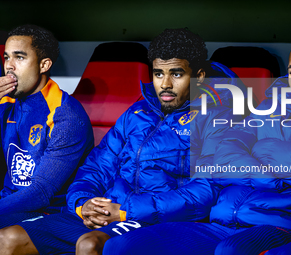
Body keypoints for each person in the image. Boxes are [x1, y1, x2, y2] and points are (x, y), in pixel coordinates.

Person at [0, 28, 247, 255]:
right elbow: (97, 166)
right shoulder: (137, 113)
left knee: (89, 245)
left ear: (199, 76)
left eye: (177, 74)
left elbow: (204, 192)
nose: (165, 84)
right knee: (9, 238)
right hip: (109, 211)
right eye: (158, 73)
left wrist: (126, 210)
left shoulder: (218, 120)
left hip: (152, 219)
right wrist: (83, 203)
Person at [99, 36, 291, 255]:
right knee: (120, 247)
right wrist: (276, 175)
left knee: (230, 250)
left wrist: (259, 149)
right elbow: (222, 159)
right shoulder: (267, 108)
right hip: (222, 220)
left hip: (284, 223)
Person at [0, 24, 93, 229]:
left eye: (20, 57)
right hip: (12, 203)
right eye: (7, 57)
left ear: (44, 65)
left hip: (50, 212)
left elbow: (41, 193)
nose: (9, 66)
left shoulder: (65, 115)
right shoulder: (6, 102)